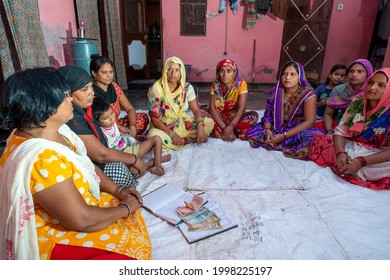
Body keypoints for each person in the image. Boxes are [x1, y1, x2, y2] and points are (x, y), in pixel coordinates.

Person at [0, 67, 151, 260]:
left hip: (77, 207)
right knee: (128, 256)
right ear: (43, 105)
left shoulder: (58, 131)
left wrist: (118, 191)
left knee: (130, 223)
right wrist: (125, 208)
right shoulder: (42, 159)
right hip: (53, 232)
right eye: (64, 95)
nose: (70, 98)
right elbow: (81, 219)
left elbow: (85, 164)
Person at [58, 65, 147, 188]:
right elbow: (100, 155)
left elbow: (128, 110)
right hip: (94, 163)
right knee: (120, 168)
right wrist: (134, 159)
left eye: (90, 87)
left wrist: (123, 128)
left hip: (109, 141)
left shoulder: (86, 107)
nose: (92, 93)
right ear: (67, 94)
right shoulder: (72, 118)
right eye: (84, 89)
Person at [309, 68, 390, 190]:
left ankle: (355, 167)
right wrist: (340, 153)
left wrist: (361, 161)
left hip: (379, 156)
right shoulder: (358, 101)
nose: (373, 88)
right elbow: (340, 131)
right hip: (354, 145)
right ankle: (348, 164)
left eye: (381, 85)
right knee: (321, 141)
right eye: (371, 82)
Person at [246, 61, 325, 159]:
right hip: (276, 127)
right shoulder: (276, 91)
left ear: (300, 77)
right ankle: (272, 139)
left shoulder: (308, 94)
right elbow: (268, 114)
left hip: (296, 128)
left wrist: (284, 136)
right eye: (285, 74)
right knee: (253, 131)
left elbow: (310, 122)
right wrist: (267, 130)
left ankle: (278, 141)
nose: (287, 78)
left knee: (314, 138)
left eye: (293, 74)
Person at [147, 56, 215, 151]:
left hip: (182, 123)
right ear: (165, 71)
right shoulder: (156, 88)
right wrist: (172, 134)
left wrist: (200, 127)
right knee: (153, 136)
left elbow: (195, 110)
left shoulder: (187, 87)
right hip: (163, 126)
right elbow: (154, 118)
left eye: (177, 70)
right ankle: (188, 140)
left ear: (181, 72)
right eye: (169, 69)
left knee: (209, 123)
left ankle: (179, 141)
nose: (173, 73)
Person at [92, 97, 170, 176]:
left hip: (131, 148)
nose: (112, 119)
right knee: (134, 171)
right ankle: (153, 162)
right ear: (97, 121)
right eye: (106, 118)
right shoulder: (101, 134)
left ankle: (157, 165)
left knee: (157, 139)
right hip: (125, 157)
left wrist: (126, 132)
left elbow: (117, 132)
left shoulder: (111, 122)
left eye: (112, 113)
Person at [90, 54, 149, 137]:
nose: (109, 76)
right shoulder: (90, 92)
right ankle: (123, 137)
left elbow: (130, 109)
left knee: (141, 118)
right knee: (99, 133)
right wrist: (119, 128)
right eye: (104, 72)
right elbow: (94, 121)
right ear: (94, 73)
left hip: (117, 123)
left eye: (111, 72)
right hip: (104, 128)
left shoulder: (114, 86)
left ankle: (126, 136)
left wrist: (132, 126)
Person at [201, 58, 259, 141]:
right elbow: (212, 110)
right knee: (201, 112)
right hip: (218, 117)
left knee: (253, 116)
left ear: (234, 73)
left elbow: (242, 108)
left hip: (234, 117)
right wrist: (225, 127)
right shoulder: (215, 86)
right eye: (222, 71)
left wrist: (231, 126)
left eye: (229, 71)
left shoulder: (241, 84)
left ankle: (223, 132)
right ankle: (228, 132)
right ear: (218, 73)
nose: (225, 75)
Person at [322, 59, 373, 134]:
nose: (354, 74)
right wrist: (329, 132)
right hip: (339, 124)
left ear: (368, 74)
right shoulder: (339, 90)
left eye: (360, 71)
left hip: (363, 128)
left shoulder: (371, 91)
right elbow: (328, 114)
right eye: (351, 71)